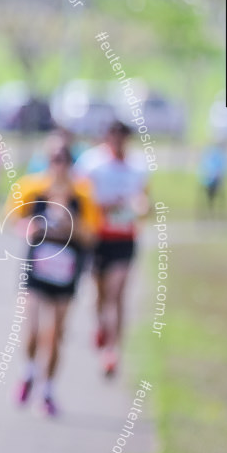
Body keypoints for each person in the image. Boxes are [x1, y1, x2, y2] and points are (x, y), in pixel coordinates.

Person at [7, 134, 100, 416]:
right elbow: (14, 221)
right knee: (33, 329)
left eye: (63, 159)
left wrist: (68, 227)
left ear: (70, 162)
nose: (58, 165)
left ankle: (47, 392)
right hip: (37, 268)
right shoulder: (32, 188)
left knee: (56, 334)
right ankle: (28, 373)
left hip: (67, 271)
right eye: (53, 159)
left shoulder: (82, 194)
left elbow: (91, 234)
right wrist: (31, 228)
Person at [74, 121, 149, 378]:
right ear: (106, 137)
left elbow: (146, 199)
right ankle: (101, 327)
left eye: (122, 137)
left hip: (124, 237)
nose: (117, 142)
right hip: (97, 238)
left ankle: (112, 352)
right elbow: (79, 198)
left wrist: (139, 206)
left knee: (117, 294)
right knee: (100, 295)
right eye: (113, 136)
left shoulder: (138, 166)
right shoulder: (91, 163)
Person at [197, 141, 227, 220]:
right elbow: (212, 168)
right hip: (211, 181)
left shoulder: (214, 155)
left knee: (213, 198)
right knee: (212, 198)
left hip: (211, 180)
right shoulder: (216, 155)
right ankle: (212, 214)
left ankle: (213, 213)